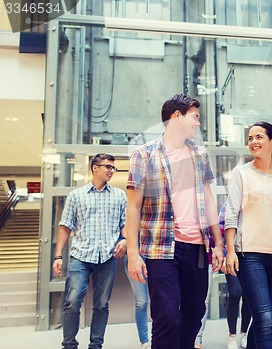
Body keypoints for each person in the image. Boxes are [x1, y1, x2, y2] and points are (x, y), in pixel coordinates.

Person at [125, 94, 224, 349]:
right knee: (167, 315)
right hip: (160, 247)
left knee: (193, 314)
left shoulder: (199, 155)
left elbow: (209, 200)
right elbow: (133, 207)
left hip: (197, 248)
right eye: (195, 117)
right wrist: (134, 254)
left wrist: (218, 244)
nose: (197, 124)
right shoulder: (144, 155)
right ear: (177, 116)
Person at [52, 153, 127, 349]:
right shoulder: (76, 196)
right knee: (72, 301)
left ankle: (96, 345)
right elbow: (65, 227)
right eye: (108, 167)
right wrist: (58, 256)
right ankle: (69, 345)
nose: (111, 171)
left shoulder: (120, 195)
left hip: (107, 258)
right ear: (95, 168)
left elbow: (124, 224)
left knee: (101, 304)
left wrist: (126, 239)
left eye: (113, 168)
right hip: (81, 257)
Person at [225, 121, 272, 349]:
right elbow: (231, 214)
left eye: (259, 137)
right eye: (250, 138)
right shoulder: (240, 173)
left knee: (263, 318)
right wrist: (230, 251)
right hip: (249, 254)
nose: (253, 142)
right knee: (264, 319)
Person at [219, 203, 251, 349]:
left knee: (249, 295)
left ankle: (244, 333)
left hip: (250, 255)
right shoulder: (227, 207)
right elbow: (220, 233)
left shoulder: (252, 205)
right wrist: (225, 256)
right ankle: (232, 335)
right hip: (232, 256)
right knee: (235, 293)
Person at [124, 252, 150, 349]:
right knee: (141, 302)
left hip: (156, 254)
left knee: (162, 300)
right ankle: (144, 341)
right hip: (136, 255)